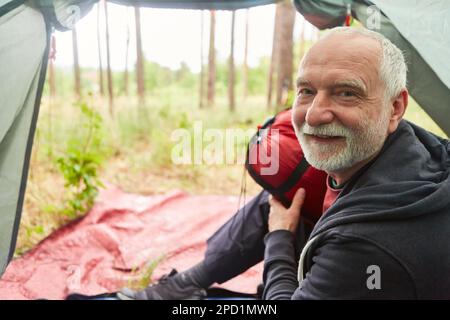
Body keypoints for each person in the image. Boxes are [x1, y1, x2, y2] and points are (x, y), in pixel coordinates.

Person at [120, 26, 450, 300]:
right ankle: (181, 286)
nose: (315, 115)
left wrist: (279, 239)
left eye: (347, 93)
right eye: (306, 91)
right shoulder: (418, 148)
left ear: (395, 108)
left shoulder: (366, 245)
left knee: (279, 216)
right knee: (280, 198)